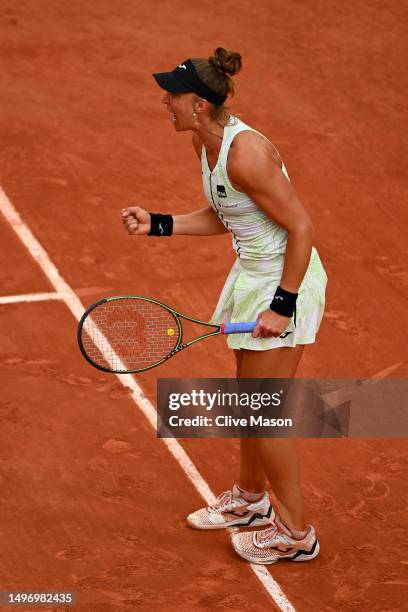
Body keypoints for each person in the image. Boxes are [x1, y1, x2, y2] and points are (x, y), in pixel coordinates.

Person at [121, 47, 327, 565]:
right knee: (249, 402)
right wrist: (160, 223)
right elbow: (226, 213)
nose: (165, 101)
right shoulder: (205, 147)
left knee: (264, 413)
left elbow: (302, 227)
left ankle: (297, 534)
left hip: (287, 281)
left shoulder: (245, 153)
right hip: (254, 277)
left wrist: (282, 305)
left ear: (200, 105)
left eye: (173, 94)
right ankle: (251, 500)